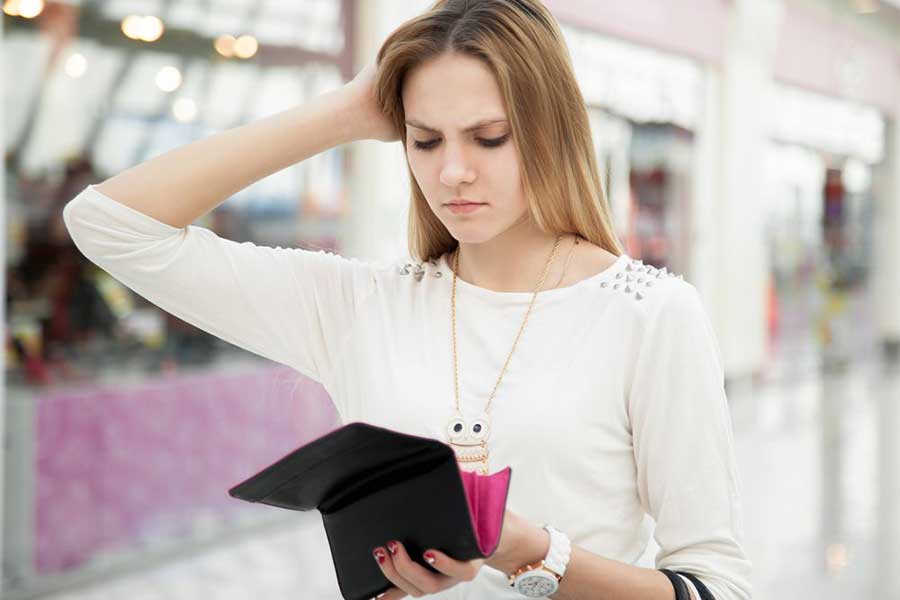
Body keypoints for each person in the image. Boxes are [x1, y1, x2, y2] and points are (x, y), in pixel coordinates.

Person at [62, 1, 752, 598]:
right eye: (424, 140)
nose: (452, 171)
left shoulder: (649, 315)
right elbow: (109, 225)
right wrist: (348, 110)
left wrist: (533, 553)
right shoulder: (363, 305)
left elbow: (714, 585)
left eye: (489, 137)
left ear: (550, 130)